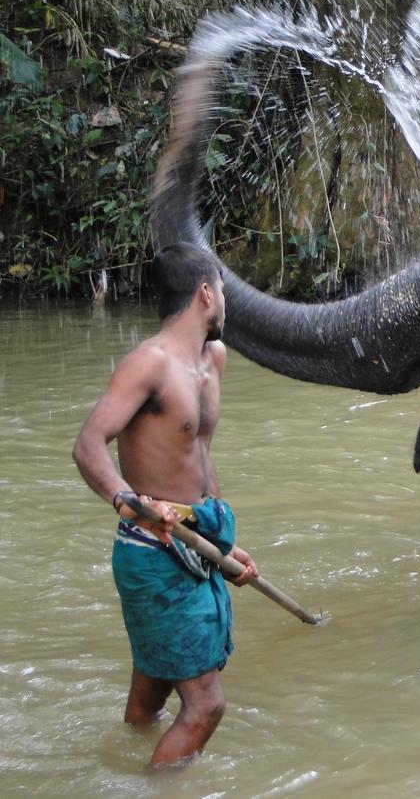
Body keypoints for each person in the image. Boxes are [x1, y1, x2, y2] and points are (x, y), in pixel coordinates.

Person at [73, 241, 260, 767]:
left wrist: (226, 548)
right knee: (206, 706)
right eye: (222, 289)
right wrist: (126, 499)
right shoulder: (149, 365)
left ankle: (117, 764)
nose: (225, 299)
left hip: (198, 539)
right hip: (154, 551)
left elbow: (197, 461)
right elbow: (88, 444)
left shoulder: (213, 360)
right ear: (206, 292)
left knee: (151, 695)